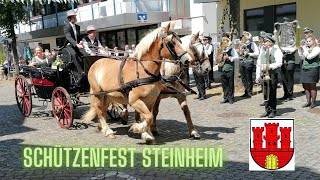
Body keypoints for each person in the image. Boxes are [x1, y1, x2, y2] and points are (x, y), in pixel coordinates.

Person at [255, 33, 283, 118]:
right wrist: (257, 76)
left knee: (272, 93)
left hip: (272, 74)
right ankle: (267, 110)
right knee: (265, 93)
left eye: (265, 41)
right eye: (263, 41)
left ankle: (273, 110)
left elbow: (279, 63)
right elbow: (258, 64)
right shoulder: (263, 50)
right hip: (264, 74)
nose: (263, 43)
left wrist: (268, 67)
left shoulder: (276, 50)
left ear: (270, 42)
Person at [63, 10, 86, 85]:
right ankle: (80, 72)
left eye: (75, 17)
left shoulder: (77, 27)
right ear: (70, 18)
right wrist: (76, 44)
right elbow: (69, 37)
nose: (76, 18)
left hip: (77, 45)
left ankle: (87, 70)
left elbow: (78, 37)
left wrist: (80, 42)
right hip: (69, 45)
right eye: (74, 17)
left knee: (85, 54)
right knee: (74, 55)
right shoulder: (66, 27)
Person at [298, 36, 320, 109]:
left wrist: (304, 49)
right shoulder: (306, 49)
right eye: (307, 41)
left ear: (314, 41)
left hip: (313, 69)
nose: (307, 42)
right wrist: (300, 50)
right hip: (305, 68)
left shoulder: (317, 49)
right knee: (306, 86)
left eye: (309, 41)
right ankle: (308, 101)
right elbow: (302, 58)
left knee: (312, 86)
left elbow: (309, 57)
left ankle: (313, 102)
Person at [239, 31, 259, 98]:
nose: (242, 38)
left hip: (249, 61)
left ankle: (249, 92)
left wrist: (249, 53)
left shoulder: (252, 44)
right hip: (242, 62)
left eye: (244, 36)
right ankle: (246, 91)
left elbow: (257, 53)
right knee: (243, 78)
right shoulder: (241, 44)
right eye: (242, 36)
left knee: (248, 77)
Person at [219, 37, 239, 104]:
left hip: (229, 69)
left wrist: (229, 58)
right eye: (223, 42)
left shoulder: (232, 49)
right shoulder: (221, 50)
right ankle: (225, 97)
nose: (224, 44)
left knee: (230, 84)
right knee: (224, 85)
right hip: (222, 69)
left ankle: (231, 98)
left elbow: (237, 57)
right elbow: (217, 58)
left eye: (225, 42)